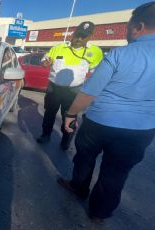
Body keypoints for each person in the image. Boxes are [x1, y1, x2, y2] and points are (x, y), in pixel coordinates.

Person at [58, 2, 155, 222]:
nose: (128, 31)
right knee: (117, 173)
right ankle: (99, 213)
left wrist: (71, 114)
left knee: (85, 158)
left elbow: (90, 92)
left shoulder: (119, 54)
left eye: (129, 26)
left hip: (100, 123)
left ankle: (78, 187)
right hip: (141, 130)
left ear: (138, 26)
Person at [37, 21, 104, 150]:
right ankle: (45, 135)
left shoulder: (96, 52)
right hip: (54, 88)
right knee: (49, 113)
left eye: (83, 36)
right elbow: (45, 59)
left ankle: (65, 141)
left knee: (69, 116)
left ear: (90, 36)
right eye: (77, 34)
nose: (79, 39)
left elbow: (97, 74)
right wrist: (45, 62)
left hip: (73, 91)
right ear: (73, 33)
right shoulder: (59, 47)